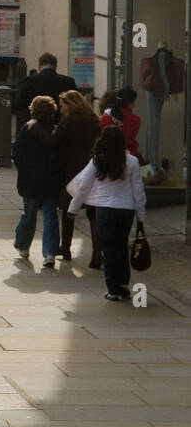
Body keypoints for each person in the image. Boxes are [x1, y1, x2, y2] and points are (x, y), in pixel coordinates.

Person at [68, 125, 145, 301]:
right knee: (121, 246)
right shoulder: (132, 161)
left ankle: (113, 288)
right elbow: (138, 192)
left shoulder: (97, 160)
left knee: (109, 249)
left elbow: (83, 187)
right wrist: (141, 217)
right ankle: (123, 283)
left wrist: (72, 209)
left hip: (103, 209)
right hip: (126, 209)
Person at [31, 89, 104, 266]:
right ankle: (96, 253)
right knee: (93, 213)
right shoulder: (93, 120)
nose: (60, 108)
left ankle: (66, 248)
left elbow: (51, 141)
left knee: (68, 211)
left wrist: (34, 127)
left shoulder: (68, 120)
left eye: (62, 105)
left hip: (71, 171)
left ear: (70, 105)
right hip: (92, 169)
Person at [12, 95, 64, 267]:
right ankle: (49, 253)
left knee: (29, 214)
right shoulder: (55, 131)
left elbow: (18, 155)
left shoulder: (26, 130)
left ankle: (23, 245)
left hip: (31, 180)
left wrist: (25, 172)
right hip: (50, 180)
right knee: (50, 215)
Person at [13, 53, 77, 126]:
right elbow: (76, 104)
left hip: (35, 126)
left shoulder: (29, 81)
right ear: (55, 66)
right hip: (60, 125)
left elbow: (19, 104)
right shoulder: (68, 81)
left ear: (39, 66)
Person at [100, 87, 143, 164]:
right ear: (130, 103)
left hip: (107, 157)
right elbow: (129, 140)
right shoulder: (136, 120)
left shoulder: (105, 117)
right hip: (129, 156)